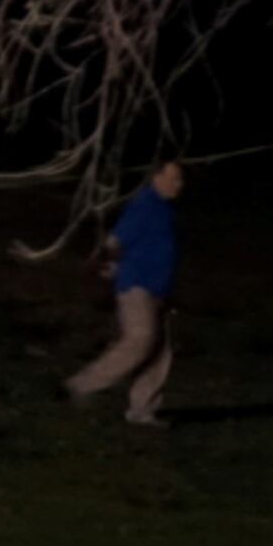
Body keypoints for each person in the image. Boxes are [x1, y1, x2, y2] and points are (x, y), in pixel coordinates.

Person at [64, 156, 184, 426]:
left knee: (159, 351)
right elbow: (115, 240)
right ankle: (83, 384)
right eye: (174, 177)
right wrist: (111, 263)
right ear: (157, 177)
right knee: (140, 339)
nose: (179, 184)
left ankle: (142, 409)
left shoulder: (165, 209)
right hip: (136, 287)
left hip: (157, 290)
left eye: (180, 178)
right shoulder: (145, 205)